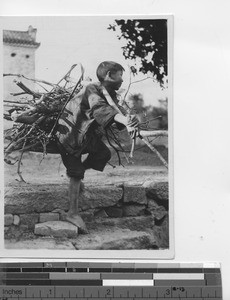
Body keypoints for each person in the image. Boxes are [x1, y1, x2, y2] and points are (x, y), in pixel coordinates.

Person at [56, 61, 139, 233]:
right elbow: (99, 109)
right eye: (120, 75)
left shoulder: (111, 95)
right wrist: (123, 119)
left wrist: (130, 120)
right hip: (69, 134)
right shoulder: (91, 89)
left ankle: (77, 178)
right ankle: (72, 213)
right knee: (75, 170)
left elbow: (117, 119)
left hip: (86, 136)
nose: (122, 80)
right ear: (109, 75)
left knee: (102, 154)